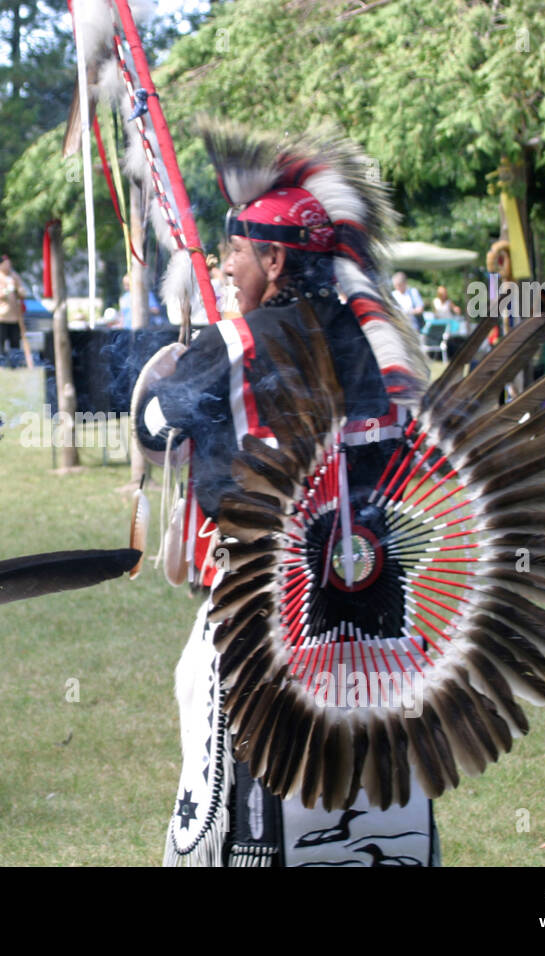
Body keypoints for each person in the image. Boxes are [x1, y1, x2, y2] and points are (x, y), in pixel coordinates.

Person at [136, 125, 436, 867]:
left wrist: (170, 369)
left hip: (259, 608)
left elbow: (151, 428)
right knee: (372, 793)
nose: (224, 263)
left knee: (245, 798)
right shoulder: (380, 345)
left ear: (273, 258)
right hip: (373, 609)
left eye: (235, 250)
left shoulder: (233, 344)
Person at [0, 253, 27, 364]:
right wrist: (3, 293)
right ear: (0, 265)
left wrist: (20, 291)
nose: (8, 266)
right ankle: (0, 363)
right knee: (0, 342)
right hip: (0, 315)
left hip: (15, 316)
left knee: (15, 342)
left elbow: (21, 291)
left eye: (9, 264)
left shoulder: (14, 276)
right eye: (5, 264)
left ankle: (15, 363)